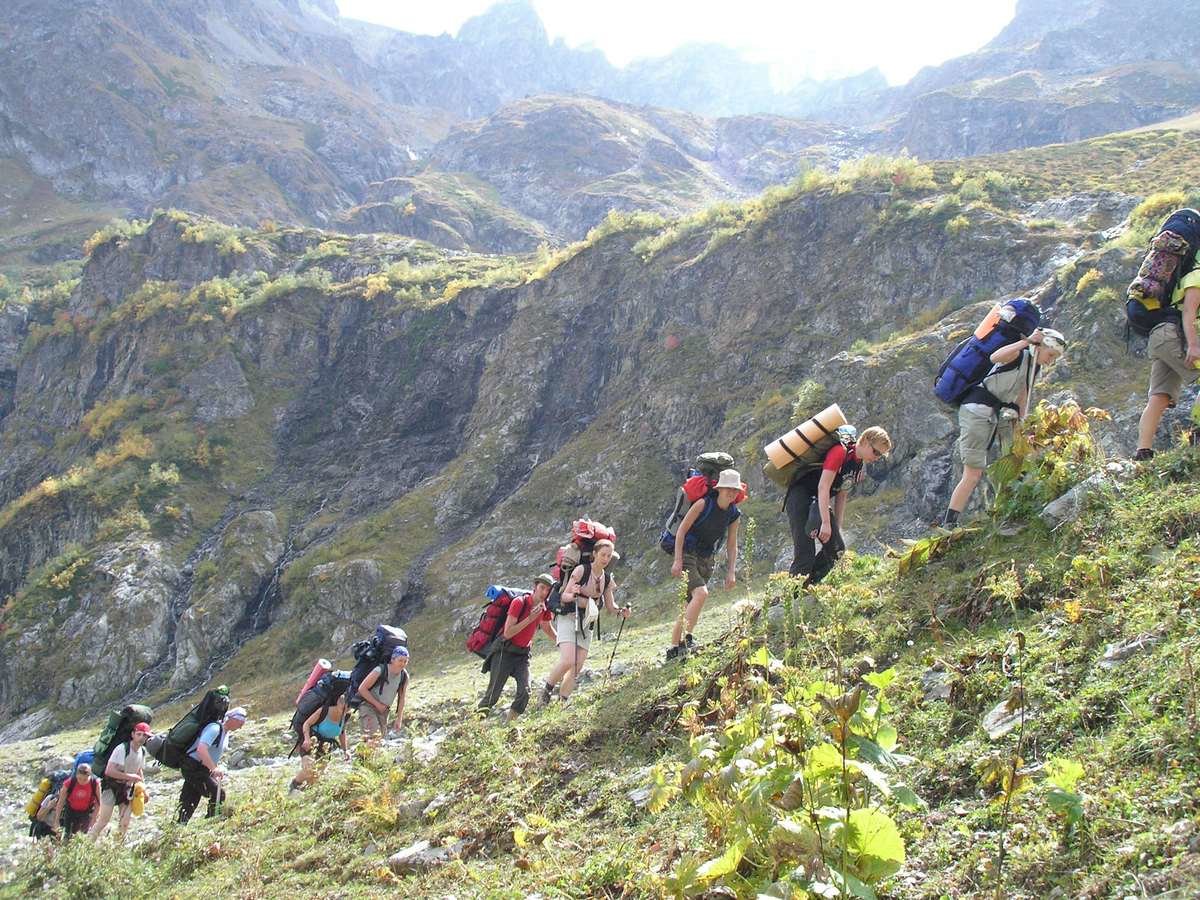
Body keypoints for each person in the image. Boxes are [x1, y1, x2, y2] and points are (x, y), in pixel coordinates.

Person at [941, 328, 1067, 526]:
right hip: (977, 412)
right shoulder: (1018, 354)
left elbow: (1023, 396)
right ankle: (948, 523)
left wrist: (1022, 427)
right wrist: (1027, 342)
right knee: (973, 474)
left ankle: (1004, 512)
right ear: (1040, 346)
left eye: (1055, 358)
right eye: (1051, 354)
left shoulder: (1033, 367)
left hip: (994, 415)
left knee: (1012, 462)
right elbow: (995, 356)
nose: (1051, 360)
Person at [786, 427, 892, 583]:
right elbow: (823, 487)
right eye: (875, 452)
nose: (876, 457)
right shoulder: (839, 452)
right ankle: (790, 597)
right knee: (805, 553)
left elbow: (842, 495)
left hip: (818, 502)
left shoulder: (858, 466)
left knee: (837, 550)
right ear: (864, 441)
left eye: (880, 455)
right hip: (801, 497)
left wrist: (837, 527)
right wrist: (826, 523)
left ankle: (808, 586)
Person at [539, 539, 630, 705]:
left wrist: (620, 611)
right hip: (569, 616)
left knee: (578, 665)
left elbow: (610, 606)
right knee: (568, 659)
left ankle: (562, 702)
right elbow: (565, 596)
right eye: (603, 555)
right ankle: (546, 692)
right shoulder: (581, 570)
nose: (605, 559)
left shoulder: (607, 579)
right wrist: (573, 594)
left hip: (588, 621)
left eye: (609, 556)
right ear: (594, 554)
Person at [666, 468, 742, 660]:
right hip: (687, 553)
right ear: (719, 489)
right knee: (701, 593)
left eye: (735, 490)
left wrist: (731, 572)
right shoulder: (702, 504)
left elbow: (732, 545)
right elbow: (681, 531)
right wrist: (677, 560)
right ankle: (686, 639)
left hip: (706, 558)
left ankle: (674, 649)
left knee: (691, 602)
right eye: (728, 489)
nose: (731, 493)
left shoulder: (734, 513)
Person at [1134, 270, 1200, 459]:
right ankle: (1198, 433)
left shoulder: (1184, 278)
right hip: (1173, 335)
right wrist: (1194, 345)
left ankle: (1143, 452)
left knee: (1160, 396)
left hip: (1159, 337)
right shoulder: (1197, 278)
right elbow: (1188, 312)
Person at [479, 573, 557, 721]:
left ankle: (509, 725)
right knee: (492, 695)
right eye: (542, 588)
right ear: (534, 587)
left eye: (548, 590)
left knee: (525, 692)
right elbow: (508, 633)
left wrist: (561, 641)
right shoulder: (519, 602)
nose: (544, 592)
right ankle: (475, 725)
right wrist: (530, 619)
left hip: (522, 654)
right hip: (505, 650)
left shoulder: (543, 608)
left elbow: (547, 627)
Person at [178, 706, 247, 824]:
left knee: (190, 798)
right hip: (193, 766)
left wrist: (212, 770)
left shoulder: (225, 734)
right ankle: (211, 821)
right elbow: (201, 749)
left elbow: (213, 753)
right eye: (240, 723)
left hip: (201, 768)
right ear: (233, 719)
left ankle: (179, 824)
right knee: (218, 793)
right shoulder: (215, 729)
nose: (241, 727)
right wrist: (214, 769)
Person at [90, 720, 150, 843]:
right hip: (111, 786)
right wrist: (131, 777)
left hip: (127, 789)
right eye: (139, 734)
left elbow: (139, 771)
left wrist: (144, 789)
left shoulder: (142, 751)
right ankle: (86, 846)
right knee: (103, 821)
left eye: (144, 735)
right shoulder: (122, 748)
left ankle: (117, 849)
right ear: (133, 734)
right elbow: (109, 771)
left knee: (125, 822)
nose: (141, 738)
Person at [290, 692, 350, 792]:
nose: (345, 711)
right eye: (343, 707)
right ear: (338, 703)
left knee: (316, 776)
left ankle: (306, 795)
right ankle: (294, 787)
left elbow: (342, 732)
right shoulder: (324, 711)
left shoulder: (346, 715)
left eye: (348, 708)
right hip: (311, 740)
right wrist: (307, 739)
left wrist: (345, 750)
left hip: (326, 746)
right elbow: (307, 724)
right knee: (309, 768)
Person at [356, 645, 409, 746]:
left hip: (384, 713)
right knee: (373, 741)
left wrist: (399, 719)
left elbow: (402, 698)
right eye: (400, 660)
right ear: (393, 659)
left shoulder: (404, 676)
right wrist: (378, 704)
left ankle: (367, 759)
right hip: (368, 708)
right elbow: (362, 689)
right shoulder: (379, 670)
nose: (403, 664)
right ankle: (365, 760)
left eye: (405, 661)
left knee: (380, 743)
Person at [51, 762, 101, 839]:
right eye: (79, 778)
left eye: (85, 779)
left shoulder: (95, 784)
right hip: (70, 811)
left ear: (90, 776)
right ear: (76, 775)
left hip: (86, 812)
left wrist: (93, 820)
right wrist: (56, 820)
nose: (82, 781)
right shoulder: (69, 783)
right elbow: (60, 802)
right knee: (67, 835)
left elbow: (98, 803)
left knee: (83, 836)